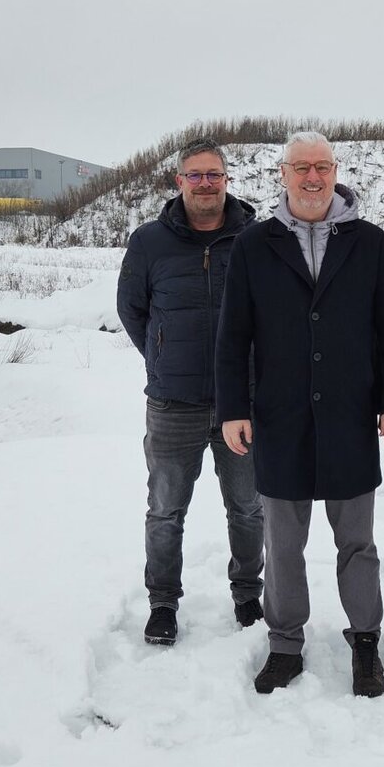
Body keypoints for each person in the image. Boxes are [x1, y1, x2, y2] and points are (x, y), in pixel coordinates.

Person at [216, 131, 384, 697]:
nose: (312, 177)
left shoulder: (370, 243)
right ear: (282, 174)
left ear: (335, 171)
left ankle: (366, 641)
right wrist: (233, 407)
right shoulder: (255, 245)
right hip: (279, 417)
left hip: (351, 417)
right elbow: (234, 336)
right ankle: (284, 644)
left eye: (322, 166)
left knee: (357, 542)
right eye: (300, 166)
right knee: (282, 543)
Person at [117, 137, 264, 647]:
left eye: (214, 175)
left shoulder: (256, 239)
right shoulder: (149, 241)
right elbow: (132, 310)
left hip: (241, 404)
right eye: (195, 175)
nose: (205, 184)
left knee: (247, 507)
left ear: (227, 180)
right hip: (172, 405)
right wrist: (161, 357)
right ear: (179, 182)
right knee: (165, 509)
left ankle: (248, 593)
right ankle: (162, 604)